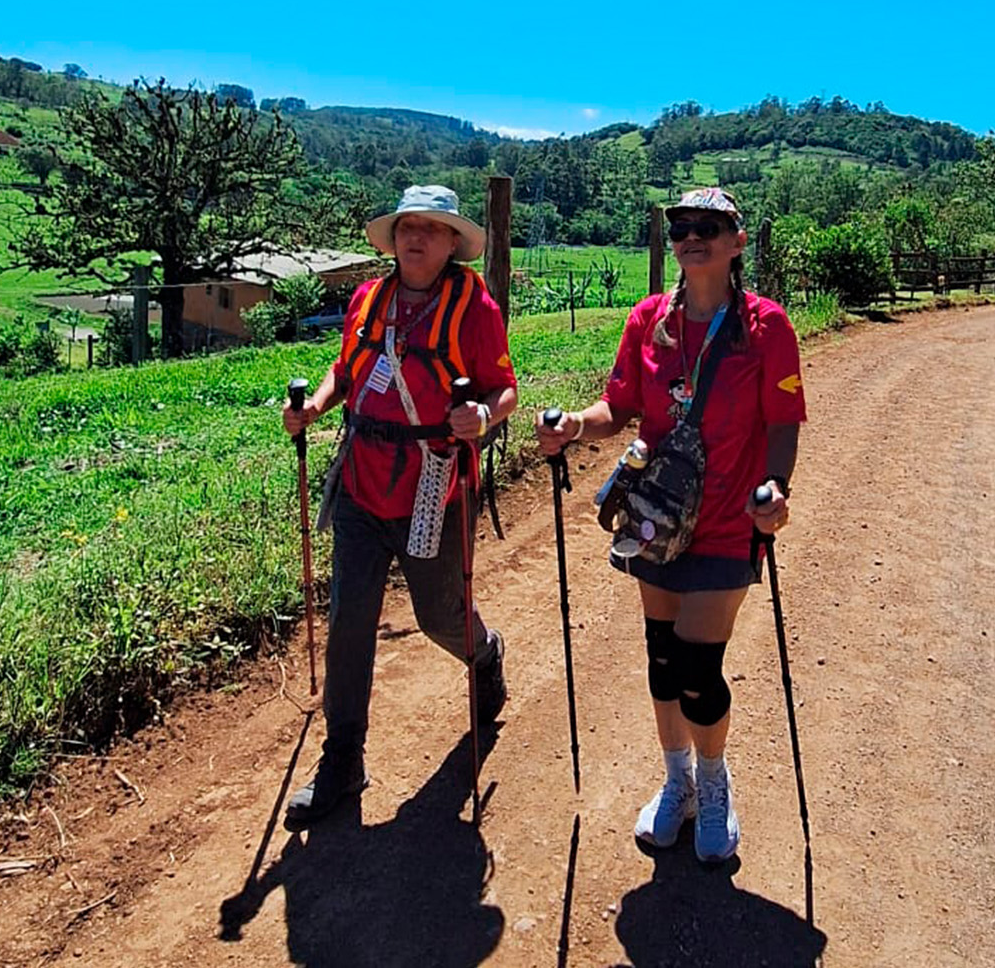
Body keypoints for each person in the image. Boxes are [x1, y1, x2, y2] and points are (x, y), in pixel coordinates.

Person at [538, 188, 806, 864]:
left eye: (708, 226)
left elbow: (782, 424)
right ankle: (677, 780)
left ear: (737, 240)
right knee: (662, 656)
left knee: (695, 659)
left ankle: (714, 783)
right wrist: (575, 425)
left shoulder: (768, 327)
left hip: (726, 522)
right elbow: (619, 407)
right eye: (680, 226)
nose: (691, 236)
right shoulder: (647, 320)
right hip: (657, 521)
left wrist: (774, 489)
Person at [282, 185, 518, 827]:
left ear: (451, 243)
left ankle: (484, 652)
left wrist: (480, 418)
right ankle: (343, 759)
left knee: (438, 614)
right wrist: (314, 406)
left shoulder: (474, 308)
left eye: (432, 229)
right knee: (349, 621)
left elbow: (505, 391)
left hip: (432, 483)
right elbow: (346, 371)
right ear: (394, 238)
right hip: (361, 480)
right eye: (408, 227)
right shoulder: (369, 298)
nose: (416, 238)